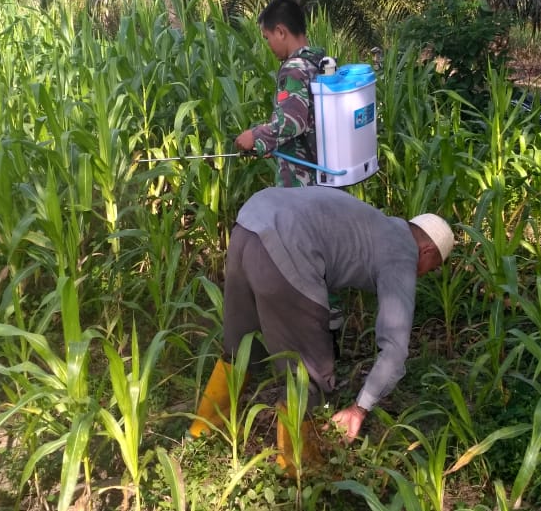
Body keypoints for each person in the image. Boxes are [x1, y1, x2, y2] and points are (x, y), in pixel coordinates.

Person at [188, 187, 455, 473]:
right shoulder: (403, 253)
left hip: (250, 223)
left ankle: (202, 432)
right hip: (288, 245)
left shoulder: (376, 224)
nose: (425, 273)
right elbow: (395, 349)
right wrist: (359, 409)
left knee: (240, 347)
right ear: (426, 251)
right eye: (433, 267)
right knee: (309, 371)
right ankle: (298, 467)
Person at [234, 0, 326, 187]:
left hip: (303, 185)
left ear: (280, 32)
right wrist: (273, 143)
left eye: (267, 37)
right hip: (325, 178)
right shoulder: (319, 63)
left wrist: (256, 136)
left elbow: (293, 122)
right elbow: (309, 120)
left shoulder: (293, 69)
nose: (268, 44)